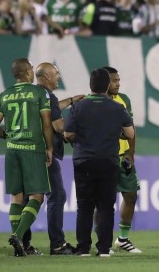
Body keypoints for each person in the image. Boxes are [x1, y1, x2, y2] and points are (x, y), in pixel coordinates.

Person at [64, 68, 134, 257]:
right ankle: (104, 249)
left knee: (84, 206)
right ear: (106, 86)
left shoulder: (78, 107)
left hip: (83, 161)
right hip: (108, 161)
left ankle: (83, 248)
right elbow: (130, 134)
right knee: (106, 206)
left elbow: (68, 134)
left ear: (90, 86)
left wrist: (78, 141)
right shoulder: (117, 108)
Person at [0, 58, 54, 257]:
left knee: (16, 197)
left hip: (12, 150)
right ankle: (17, 235)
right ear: (27, 72)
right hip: (32, 149)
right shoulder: (39, 92)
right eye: (32, 69)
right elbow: (46, 124)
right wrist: (49, 147)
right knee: (37, 196)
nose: (33, 72)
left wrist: (9, 137)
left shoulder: (4, 96)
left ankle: (21, 248)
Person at [36, 62, 84, 255]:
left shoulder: (36, 95)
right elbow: (59, 126)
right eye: (56, 74)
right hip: (46, 153)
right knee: (57, 195)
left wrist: (71, 100)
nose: (58, 77)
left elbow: (53, 107)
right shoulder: (48, 95)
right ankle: (57, 244)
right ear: (47, 77)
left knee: (29, 197)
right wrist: (77, 123)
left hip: (29, 152)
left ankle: (23, 241)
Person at [103, 67, 142, 254]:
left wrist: (131, 153)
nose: (118, 83)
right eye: (114, 80)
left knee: (131, 195)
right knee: (103, 201)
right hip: (105, 157)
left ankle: (123, 239)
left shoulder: (124, 99)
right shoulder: (94, 101)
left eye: (119, 80)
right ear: (104, 82)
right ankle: (103, 241)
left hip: (123, 157)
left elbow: (131, 127)